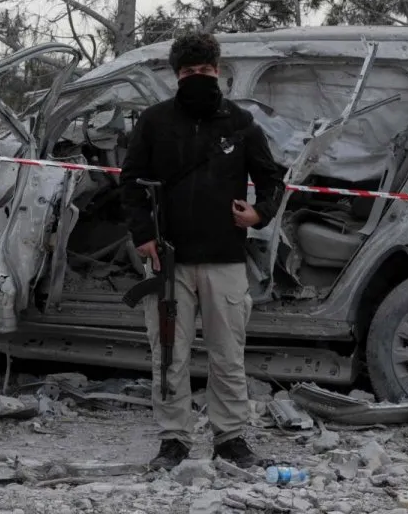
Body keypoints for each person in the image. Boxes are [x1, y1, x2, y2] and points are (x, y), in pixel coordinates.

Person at [120, 31, 286, 470]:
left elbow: (273, 181)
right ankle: (173, 439)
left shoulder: (241, 123)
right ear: (177, 75)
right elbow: (131, 183)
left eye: (206, 71)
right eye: (190, 72)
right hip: (167, 261)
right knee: (168, 354)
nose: (198, 77)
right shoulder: (154, 122)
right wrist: (143, 235)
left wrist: (259, 214)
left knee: (227, 355)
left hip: (225, 259)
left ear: (219, 71)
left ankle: (230, 438)